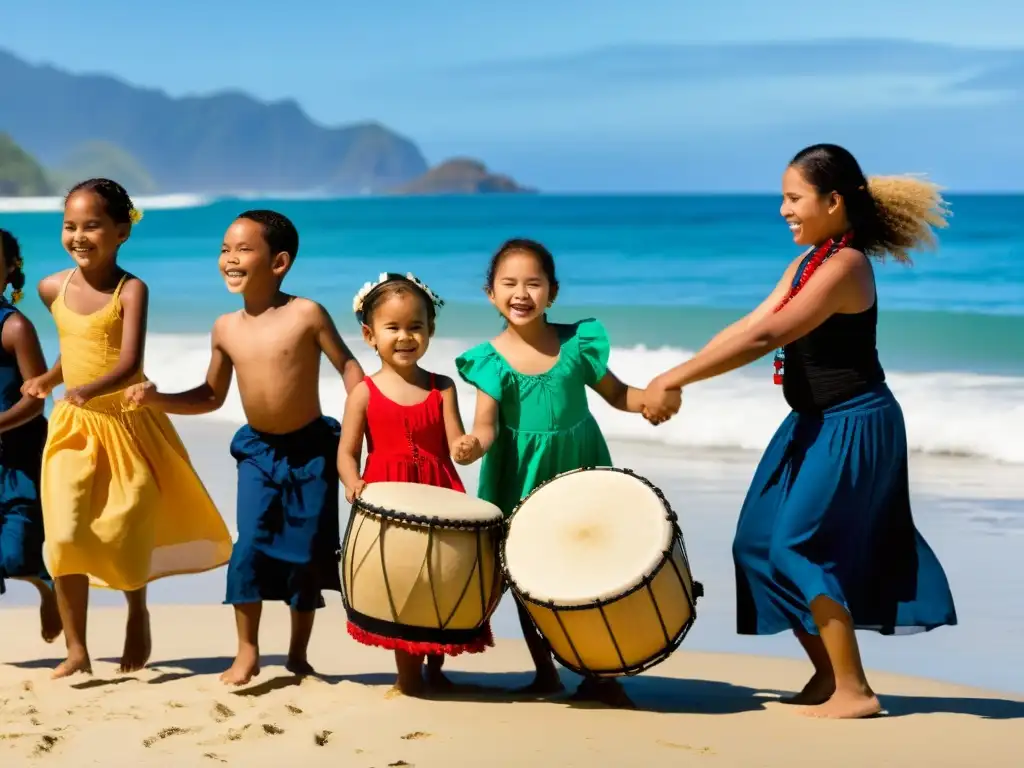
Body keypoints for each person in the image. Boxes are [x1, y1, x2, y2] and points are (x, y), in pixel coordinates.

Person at [642, 144, 958, 719]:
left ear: (834, 202)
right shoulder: (811, 259)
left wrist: (673, 378)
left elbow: (768, 339)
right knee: (757, 545)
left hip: (853, 421)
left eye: (794, 198)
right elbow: (753, 324)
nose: (784, 209)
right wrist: (672, 378)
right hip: (810, 422)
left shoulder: (846, 267)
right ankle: (827, 675)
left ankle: (856, 691)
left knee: (798, 544)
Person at [125, 209, 364, 686]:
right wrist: (159, 400)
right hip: (257, 452)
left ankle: (298, 655)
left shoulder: (307, 314)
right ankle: (248, 652)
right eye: (223, 249)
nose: (229, 259)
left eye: (242, 249)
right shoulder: (225, 327)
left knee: (306, 554)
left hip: (313, 450)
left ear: (279, 262)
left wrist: (363, 429)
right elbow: (210, 396)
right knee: (249, 547)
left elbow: (350, 369)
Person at [24, 179, 233, 678]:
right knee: (67, 533)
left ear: (121, 232)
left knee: (125, 526)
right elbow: (73, 345)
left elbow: (128, 360)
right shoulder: (52, 287)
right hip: (74, 427)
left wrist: (88, 388)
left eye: (92, 225)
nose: (78, 235)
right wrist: (49, 379)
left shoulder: (130, 289)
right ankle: (77, 649)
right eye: (69, 225)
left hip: (126, 421)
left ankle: (137, 612)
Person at [453, 238, 659, 707]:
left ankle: (599, 674)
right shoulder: (491, 361)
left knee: (590, 567)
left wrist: (649, 401)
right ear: (491, 294)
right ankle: (546, 671)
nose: (521, 293)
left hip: (579, 469)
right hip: (520, 478)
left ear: (553, 291)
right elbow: (485, 428)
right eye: (509, 283)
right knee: (531, 575)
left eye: (533, 283)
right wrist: (469, 446)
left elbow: (618, 393)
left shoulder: (576, 344)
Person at [338, 271, 488, 696]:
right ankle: (407, 678)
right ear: (369, 335)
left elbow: (456, 438)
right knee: (403, 582)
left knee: (441, 579)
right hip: (389, 495)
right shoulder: (364, 393)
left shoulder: (442, 388)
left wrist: (467, 447)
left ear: (431, 331)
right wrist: (353, 482)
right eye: (393, 328)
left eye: (415, 327)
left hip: (440, 491)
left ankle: (435, 667)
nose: (405, 337)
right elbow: (346, 452)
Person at [0, 229, 61, 643]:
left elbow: (37, 398)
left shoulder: (15, 326)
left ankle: (44, 584)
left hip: (18, 454)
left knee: (16, 554)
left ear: (9, 271)